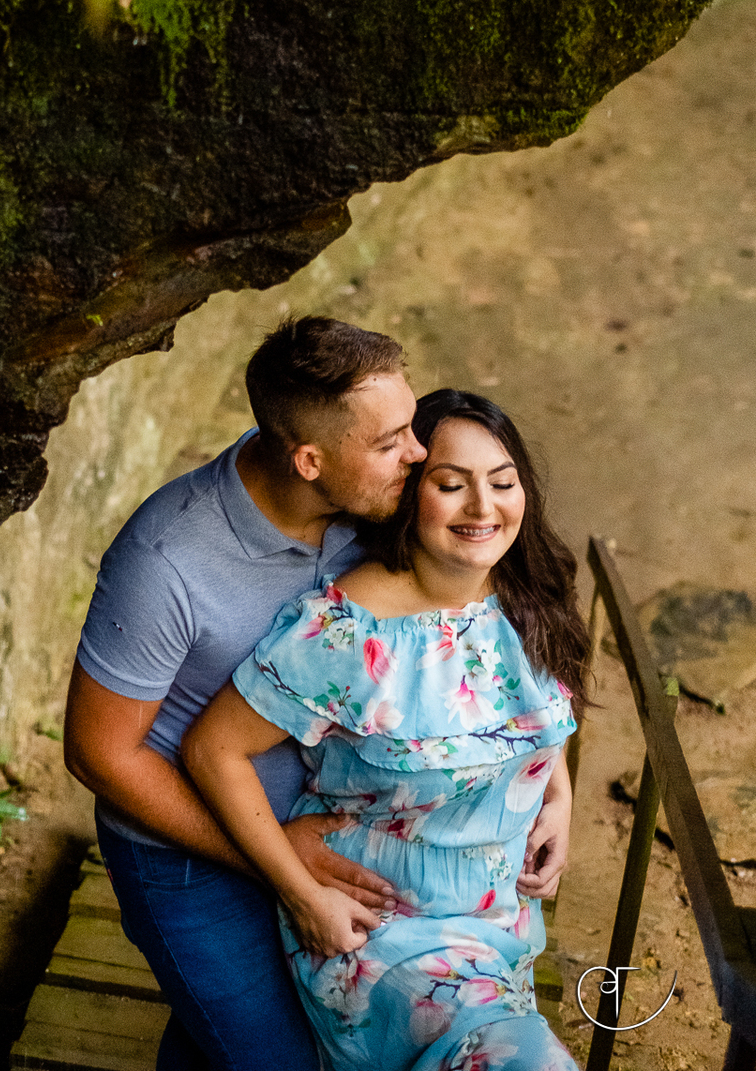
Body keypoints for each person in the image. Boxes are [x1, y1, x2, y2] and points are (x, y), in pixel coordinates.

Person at [64, 323, 571, 1069]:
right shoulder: (165, 561)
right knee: (273, 1054)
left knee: (230, 1036)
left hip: (331, 829)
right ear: (309, 460)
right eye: (394, 439)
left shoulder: (365, 506)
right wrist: (282, 864)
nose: (419, 453)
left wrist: (549, 786)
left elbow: (497, 666)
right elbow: (99, 754)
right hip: (187, 851)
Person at [184, 387, 587, 1071]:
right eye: (452, 485)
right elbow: (213, 750)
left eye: (503, 482)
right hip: (382, 932)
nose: (483, 508)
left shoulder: (525, 596)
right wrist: (302, 893)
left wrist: (558, 798)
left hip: (501, 926)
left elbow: (537, 717)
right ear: (409, 492)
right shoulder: (345, 630)